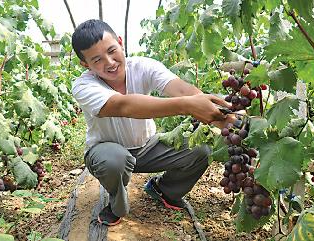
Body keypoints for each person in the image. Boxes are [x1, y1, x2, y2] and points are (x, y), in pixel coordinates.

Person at [71, 19, 234, 226]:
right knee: (115, 161)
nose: (109, 62)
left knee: (201, 148)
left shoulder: (143, 66)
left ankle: (164, 189)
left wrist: (223, 117)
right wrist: (187, 106)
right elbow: (123, 106)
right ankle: (116, 206)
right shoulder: (83, 86)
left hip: (148, 147)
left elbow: (184, 91)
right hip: (105, 151)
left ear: (120, 42)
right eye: (97, 60)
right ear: (85, 64)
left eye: (112, 51)